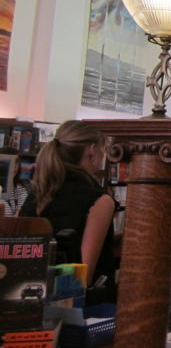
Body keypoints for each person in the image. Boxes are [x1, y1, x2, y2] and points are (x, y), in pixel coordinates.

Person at [19, 120, 117, 304]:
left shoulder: (36, 195)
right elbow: (83, 276)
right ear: (92, 150)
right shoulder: (99, 201)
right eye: (103, 149)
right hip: (77, 313)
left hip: (28, 302)